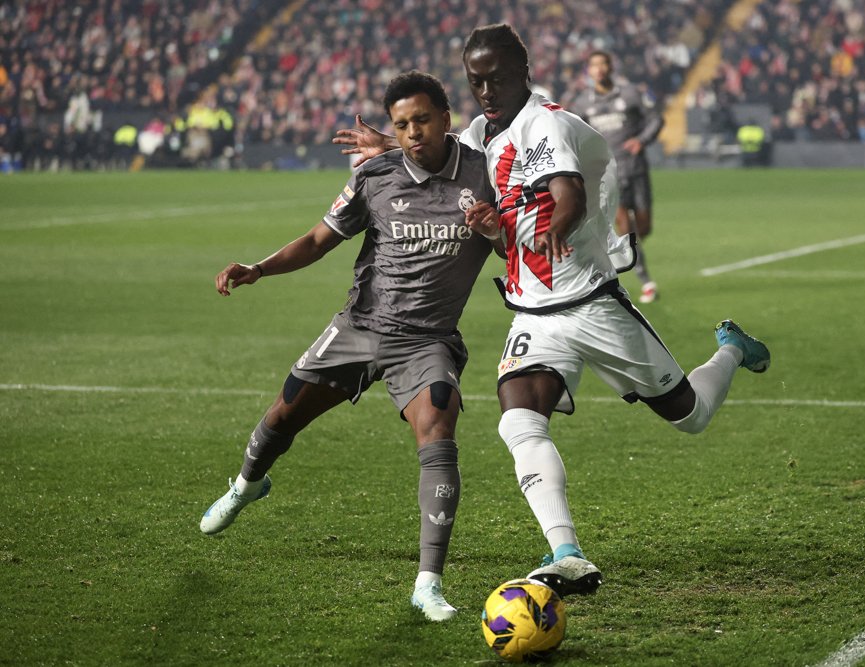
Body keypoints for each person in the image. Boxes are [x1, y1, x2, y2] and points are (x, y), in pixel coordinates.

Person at [334, 24, 771, 599]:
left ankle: (732, 348)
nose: (485, 90)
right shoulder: (485, 131)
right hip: (534, 314)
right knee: (517, 419)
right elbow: (450, 150)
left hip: (591, 303)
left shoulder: (546, 124)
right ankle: (567, 553)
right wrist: (390, 149)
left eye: (496, 78)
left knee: (689, 415)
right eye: (475, 81)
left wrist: (553, 227)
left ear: (524, 72)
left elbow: (569, 193)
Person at [200, 71, 500, 622]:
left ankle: (427, 584)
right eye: (402, 125)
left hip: (427, 340)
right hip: (361, 326)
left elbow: (514, 249)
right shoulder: (376, 176)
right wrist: (258, 269)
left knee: (439, 422)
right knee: (284, 411)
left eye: (423, 120)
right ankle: (245, 485)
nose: (413, 133)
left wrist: (495, 230)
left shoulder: (486, 175)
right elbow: (319, 240)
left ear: (447, 118)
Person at [571, 50, 664, 304]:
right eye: (594, 65)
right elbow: (574, 135)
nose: (599, 69)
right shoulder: (582, 105)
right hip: (607, 176)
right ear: (588, 71)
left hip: (636, 169)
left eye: (603, 64)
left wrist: (642, 140)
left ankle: (630, 253)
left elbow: (656, 119)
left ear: (611, 67)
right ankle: (646, 280)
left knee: (643, 227)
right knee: (625, 227)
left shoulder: (630, 94)